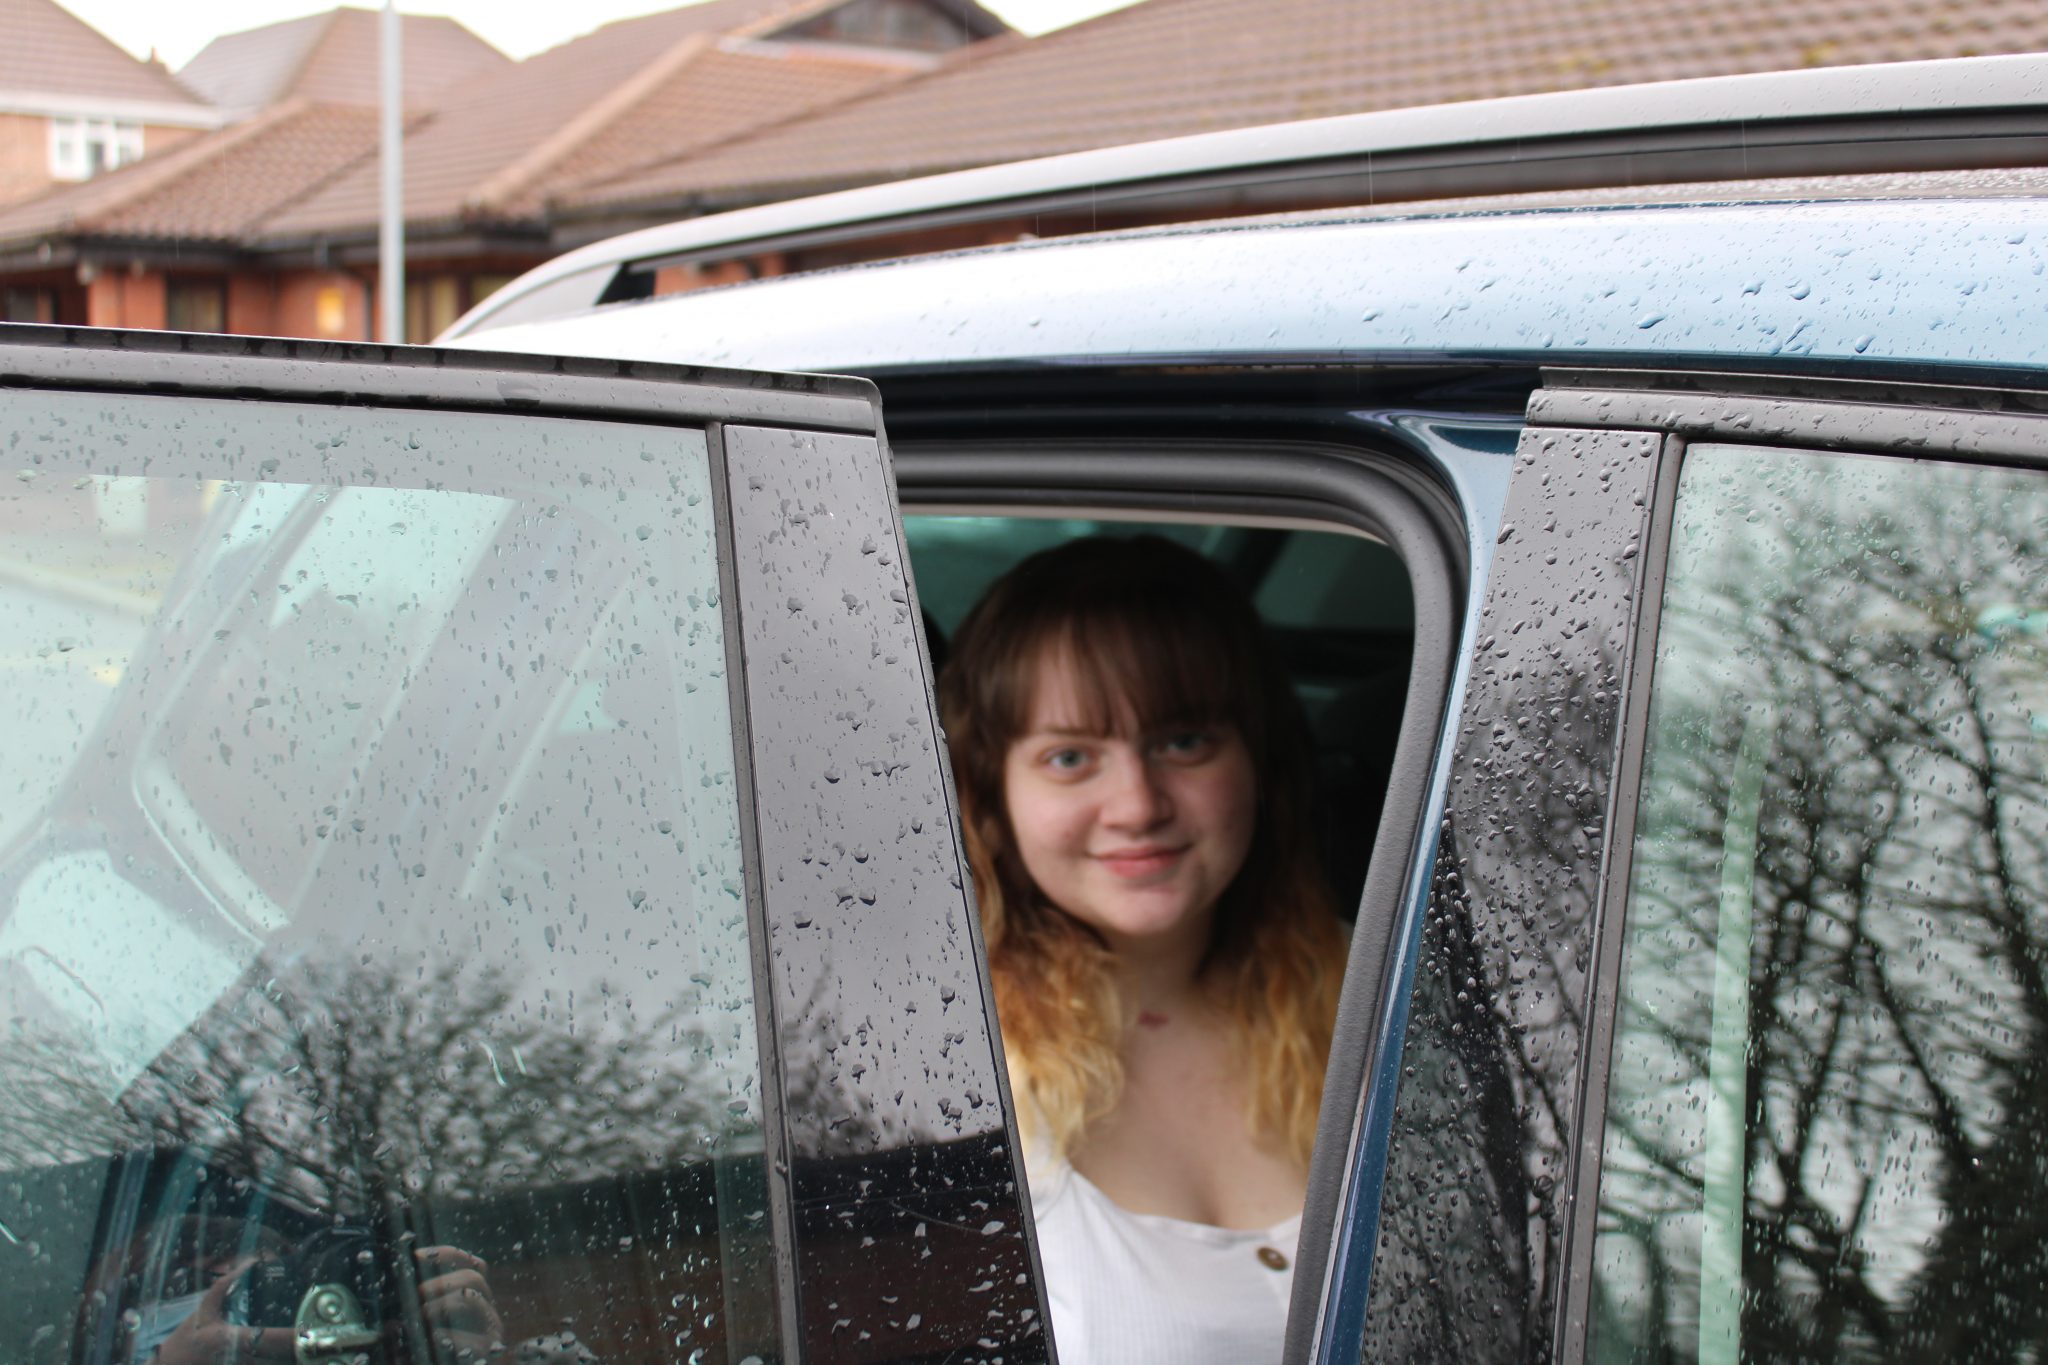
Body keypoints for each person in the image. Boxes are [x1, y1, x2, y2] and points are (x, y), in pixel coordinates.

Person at [936, 535, 1349, 1365]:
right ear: (992, 790)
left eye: (1183, 740)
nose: (1136, 803)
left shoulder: (1378, 986)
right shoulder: (949, 1073)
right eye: (1070, 756)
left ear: (1256, 761)